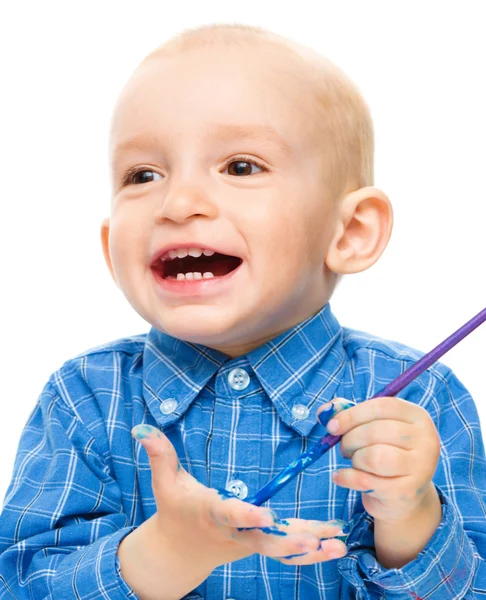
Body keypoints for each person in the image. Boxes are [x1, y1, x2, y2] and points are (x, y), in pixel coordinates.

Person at [0, 22, 484, 600]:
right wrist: (167, 553)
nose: (177, 203)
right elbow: (23, 585)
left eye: (241, 167)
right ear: (110, 248)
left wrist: (410, 517)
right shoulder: (84, 398)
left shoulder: (420, 401)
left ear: (351, 232)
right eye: (143, 175)